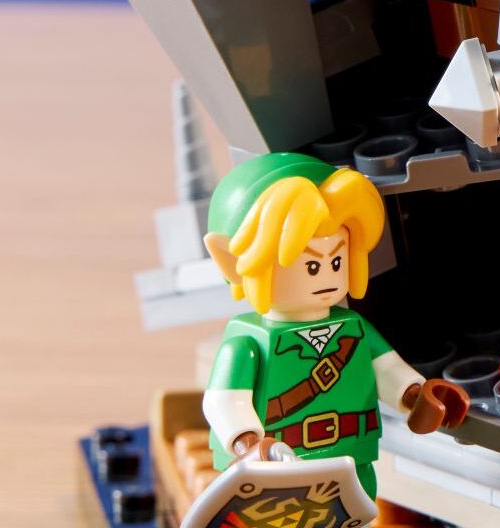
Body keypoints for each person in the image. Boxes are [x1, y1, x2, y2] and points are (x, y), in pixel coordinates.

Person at [199, 152, 469, 491]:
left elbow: (387, 369)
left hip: (351, 458)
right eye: (311, 265)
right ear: (233, 262)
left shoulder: (354, 329)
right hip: (278, 471)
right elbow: (223, 401)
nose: (328, 275)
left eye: (337, 260)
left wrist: (416, 396)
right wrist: (247, 446)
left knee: (355, 521)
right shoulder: (247, 345)